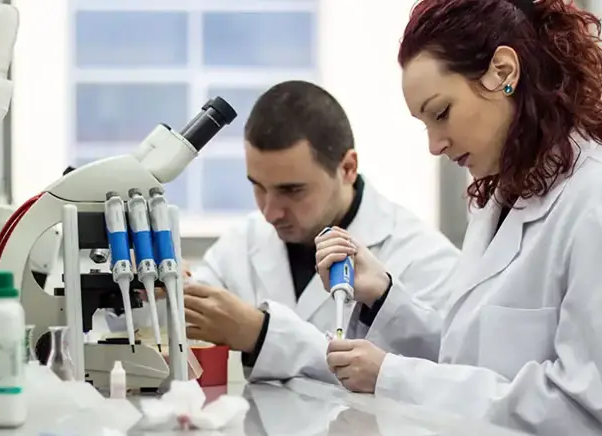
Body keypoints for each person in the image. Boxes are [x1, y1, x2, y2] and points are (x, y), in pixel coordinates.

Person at [314, 1, 602, 435]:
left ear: (503, 71)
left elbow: (590, 415)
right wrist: (383, 295)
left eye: (441, 113)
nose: (435, 145)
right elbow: (474, 359)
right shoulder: (500, 201)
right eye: (424, 123)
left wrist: (393, 377)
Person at [181, 80, 461, 382]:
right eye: (258, 187)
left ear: (347, 168)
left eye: (292, 190)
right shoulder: (243, 242)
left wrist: (260, 334)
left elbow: (433, 381)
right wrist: (164, 292)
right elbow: (178, 317)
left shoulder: (426, 258)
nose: (270, 211)